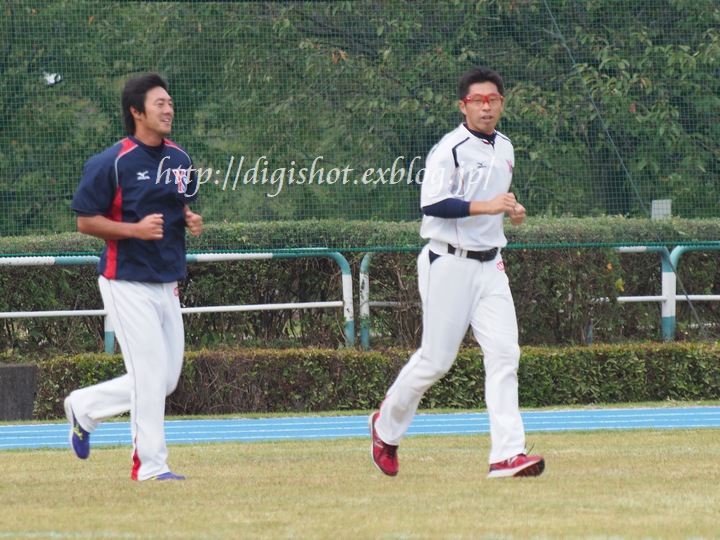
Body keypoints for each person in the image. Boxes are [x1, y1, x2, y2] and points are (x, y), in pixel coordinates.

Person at [369, 66, 544, 478]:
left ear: (502, 103)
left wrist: (512, 212)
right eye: (478, 100)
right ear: (462, 105)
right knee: (436, 360)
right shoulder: (449, 148)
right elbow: (432, 204)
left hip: (491, 266)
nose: (487, 107)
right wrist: (490, 205)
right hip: (448, 262)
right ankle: (386, 427)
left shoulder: (506, 148)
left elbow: (497, 208)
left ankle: (506, 455)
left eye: (494, 99)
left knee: (505, 355)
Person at [64, 73, 203, 481]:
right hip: (125, 281)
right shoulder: (111, 162)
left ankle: (85, 407)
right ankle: (151, 467)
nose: (168, 109)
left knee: (165, 380)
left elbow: (182, 207)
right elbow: (86, 222)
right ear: (136, 111)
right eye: (159, 103)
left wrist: (192, 219)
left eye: (170, 102)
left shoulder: (181, 160)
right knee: (148, 375)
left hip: (168, 282)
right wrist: (134, 231)